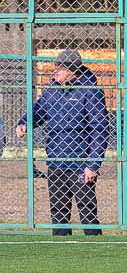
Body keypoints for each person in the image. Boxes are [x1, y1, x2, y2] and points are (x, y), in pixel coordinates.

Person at [16, 49, 109, 236]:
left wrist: (92, 164)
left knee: (88, 211)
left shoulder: (90, 92)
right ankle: (61, 248)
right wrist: (25, 122)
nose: (55, 72)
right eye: (55, 67)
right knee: (58, 213)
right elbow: (39, 110)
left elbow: (100, 130)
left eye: (60, 68)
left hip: (80, 163)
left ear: (72, 70)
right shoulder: (52, 90)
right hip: (56, 161)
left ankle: (97, 251)